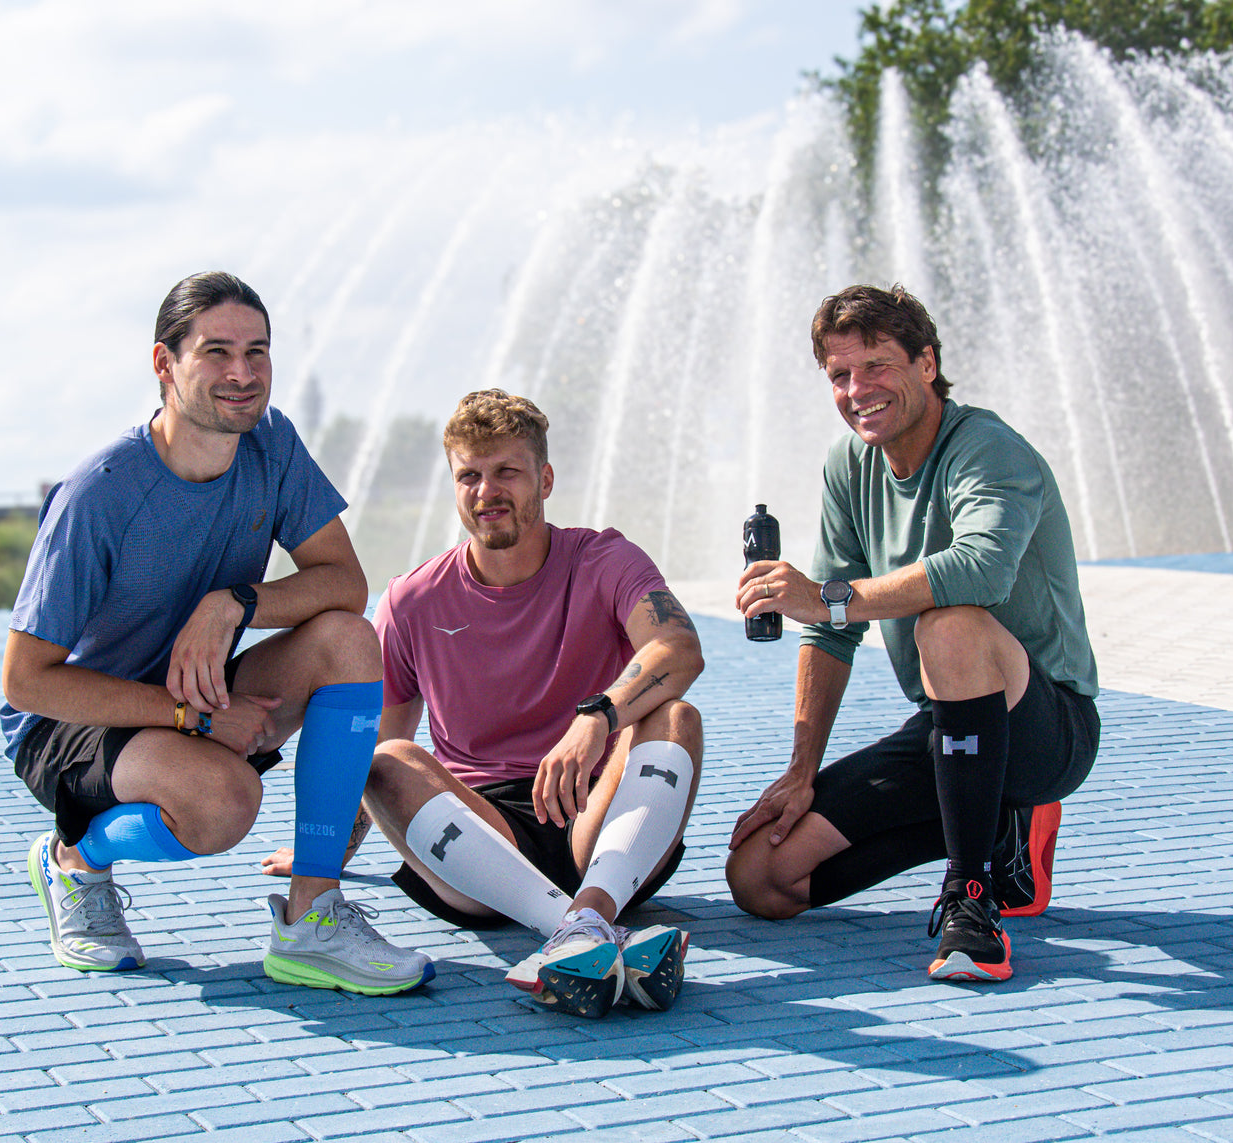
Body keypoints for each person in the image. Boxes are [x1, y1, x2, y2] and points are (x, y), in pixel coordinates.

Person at [0, 270, 432, 996]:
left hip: (190, 690)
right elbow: (26, 680)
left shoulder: (270, 443)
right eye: (216, 352)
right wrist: (190, 715)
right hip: (73, 722)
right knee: (225, 803)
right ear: (164, 364)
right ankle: (74, 855)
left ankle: (311, 916)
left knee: (348, 638)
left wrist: (234, 600)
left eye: (257, 352)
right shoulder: (100, 493)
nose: (242, 373)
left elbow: (342, 581)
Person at [266, 389, 704, 1018]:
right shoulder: (413, 599)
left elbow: (679, 648)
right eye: (469, 475)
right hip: (479, 836)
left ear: (545, 479)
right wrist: (335, 849)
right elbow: (377, 748)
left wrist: (598, 716)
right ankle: (583, 927)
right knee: (389, 757)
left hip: (598, 818)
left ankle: (588, 920)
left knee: (676, 716)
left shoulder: (606, 559)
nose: (485, 491)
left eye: (507, 472)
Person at [725, 284, 1099, 983]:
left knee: (949, 626)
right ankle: (998, 830)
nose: (855, 389)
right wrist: (800, 769)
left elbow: (980, 571)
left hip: (1047, 728)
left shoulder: (987, 449)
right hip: (951, 728)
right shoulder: (849, 464)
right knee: (761, 876)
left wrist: (826, 598)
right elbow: (829, 632)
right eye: (838, 374)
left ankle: (971, 896)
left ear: (926, 363)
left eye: (875, 366)